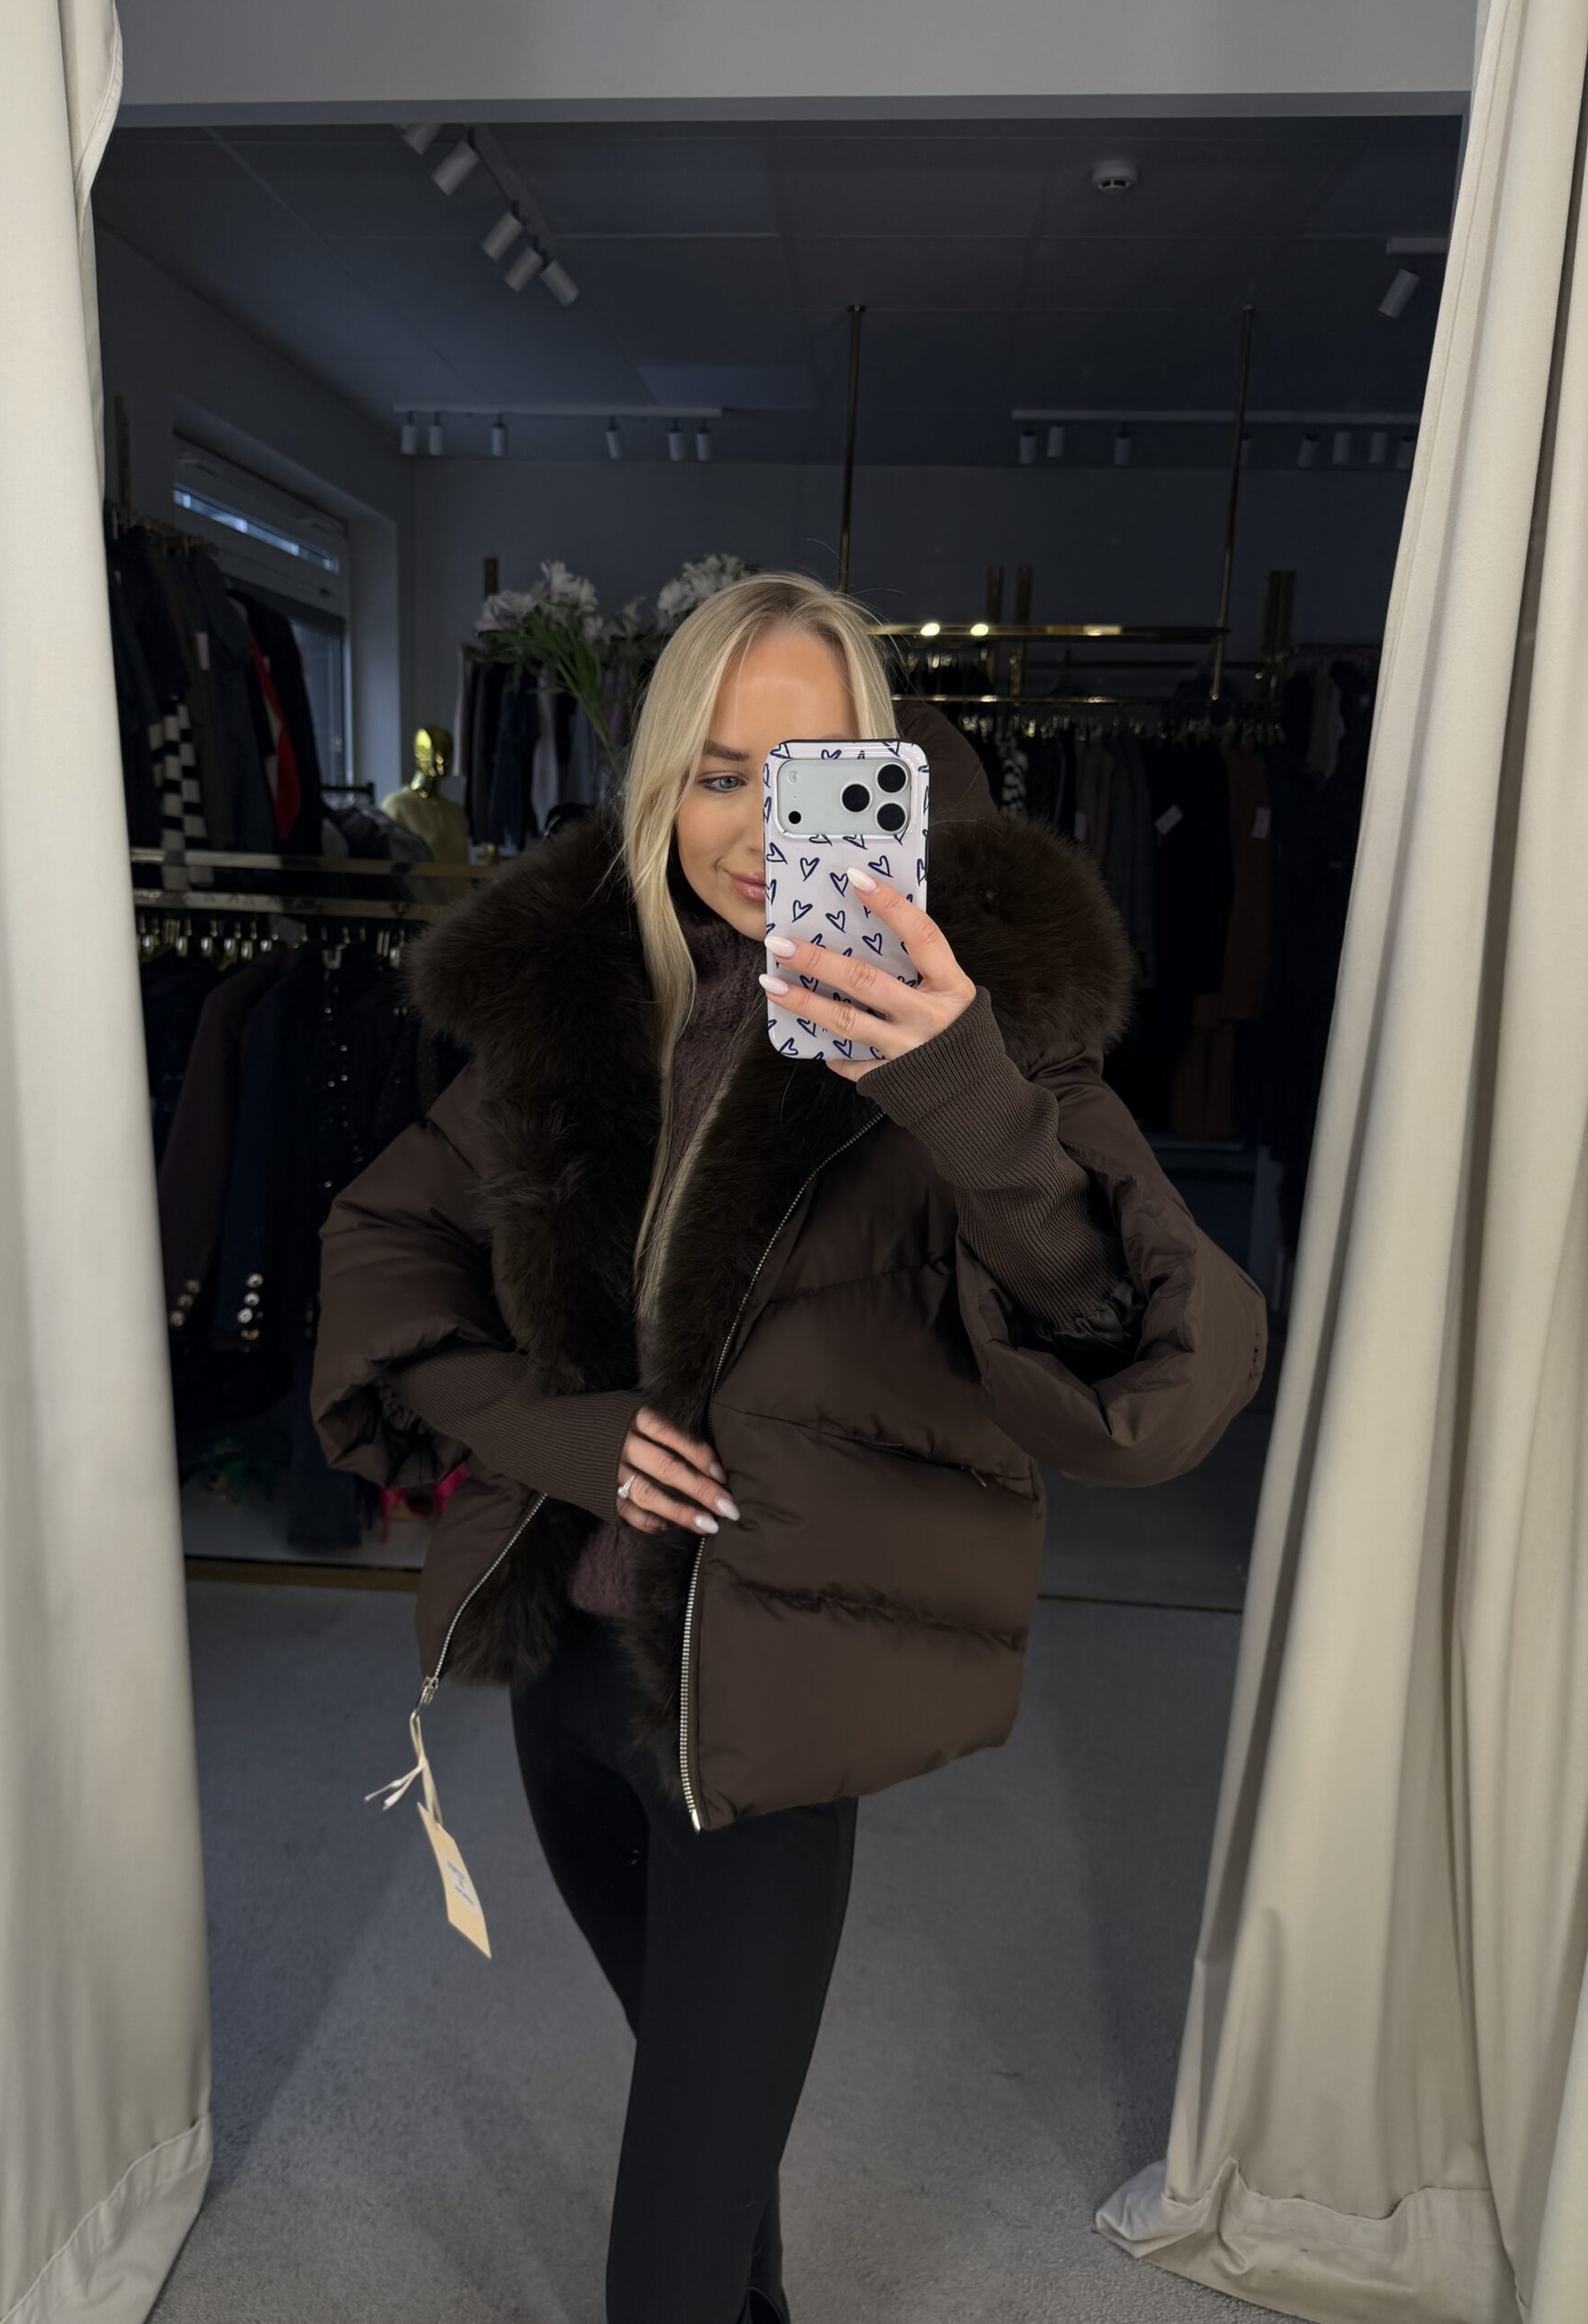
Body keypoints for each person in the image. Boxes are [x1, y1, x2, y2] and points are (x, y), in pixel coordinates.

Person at [311, 573, 1267, 2324]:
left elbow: (1157, 1362)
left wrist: (965, 1090)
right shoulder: (587, 1005)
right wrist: (561, 1430)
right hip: (571, 1687)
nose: (758, 829)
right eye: (715, 772)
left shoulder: (991, 1029)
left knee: (666, 2243)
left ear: (888, 778)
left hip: (767, 1717)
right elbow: (383, 1244)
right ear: (657, 785)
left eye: (813, 772)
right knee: (706, 2131)